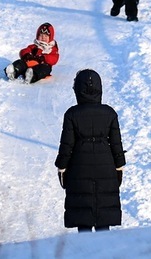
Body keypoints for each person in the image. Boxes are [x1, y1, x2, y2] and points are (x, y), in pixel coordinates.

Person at [55, 69, 126, 232]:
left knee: (83, 215)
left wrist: (62, 166)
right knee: (104, 213)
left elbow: (67, 144)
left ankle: (85, 252)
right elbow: (116, 143)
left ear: (77, 90)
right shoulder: (109, 113)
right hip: (106, 167)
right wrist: (119, 165)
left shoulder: (72, 114)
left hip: (79, 169)